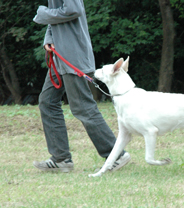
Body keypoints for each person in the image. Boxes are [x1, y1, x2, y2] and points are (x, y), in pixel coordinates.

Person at [32, 0, 130, 173]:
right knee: (47, 102)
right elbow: (58, 16)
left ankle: (116, 155)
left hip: (72, 56)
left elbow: (73, 10)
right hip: (59, 57)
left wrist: (43, 13)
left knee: (83, 108)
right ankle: (61, 159)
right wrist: (49, 38)